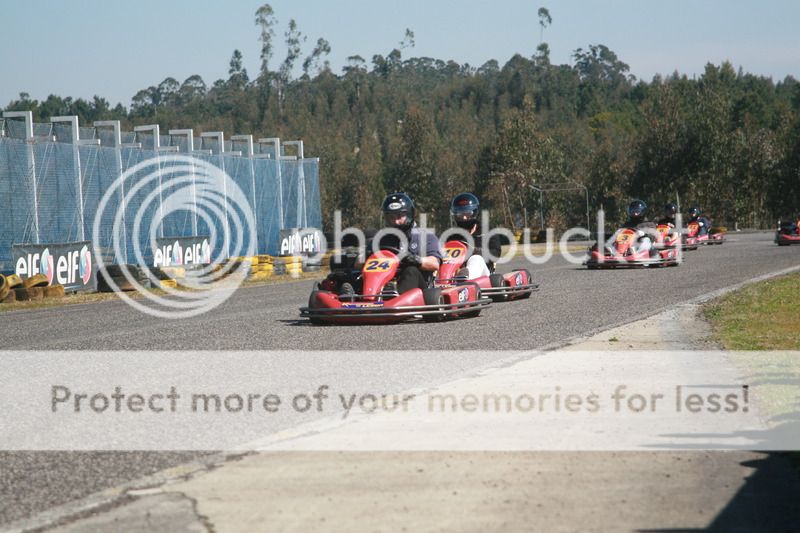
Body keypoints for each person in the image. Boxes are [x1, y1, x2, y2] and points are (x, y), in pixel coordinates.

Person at [343, 192, 442, 297]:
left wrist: (416, 260)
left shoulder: (425, 236)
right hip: (383, 283)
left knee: (411, 270)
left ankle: (394, 296)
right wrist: (367, 255)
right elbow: (357, 264)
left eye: (399, 216)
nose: (395, 221)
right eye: (391, 217)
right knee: (351, 274)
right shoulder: (381, 238)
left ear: (409, 214)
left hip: (418, 288)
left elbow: (435, 263)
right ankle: (349, 297)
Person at [449, 192, 502, 279]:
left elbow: (495, 253)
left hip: (482, 274)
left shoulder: (487, 230)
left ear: (474, 213)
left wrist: (476, 251)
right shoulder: (452, 235)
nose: (464, 218)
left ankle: (464, 278)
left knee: (476, 258)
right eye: (460, 214)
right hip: (455, 273)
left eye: (467, 214)